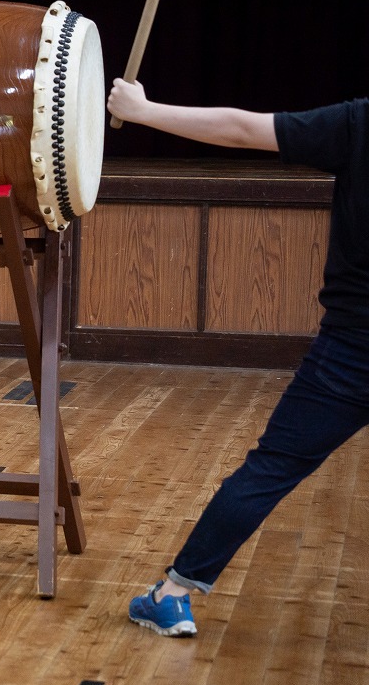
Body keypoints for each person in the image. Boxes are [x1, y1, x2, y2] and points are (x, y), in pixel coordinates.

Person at [107, 77, 369, 638]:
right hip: (353, 345)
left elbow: (244, 128)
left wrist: (144, 110)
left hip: (354, 350)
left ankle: (174, 594)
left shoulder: (361, 122)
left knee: (271, 468)